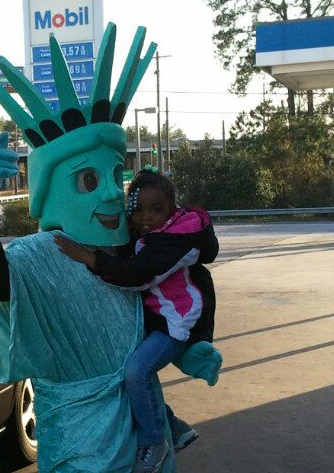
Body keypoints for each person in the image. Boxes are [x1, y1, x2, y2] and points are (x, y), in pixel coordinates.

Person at [0, 23, 222, 472]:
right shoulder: (43, 254)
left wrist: (187, 349)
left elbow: (162, 306)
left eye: (115, 175)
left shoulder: (131, 250)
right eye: (88, 179)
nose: (111, 194)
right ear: (51, 190)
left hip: (143, 431)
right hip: (78, 439)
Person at [55, 168, 219, 472]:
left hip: (175, 323)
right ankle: (172, 424)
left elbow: (140, 275)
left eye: (156, 209)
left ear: (172, 208)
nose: (146, 217)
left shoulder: (179, 239)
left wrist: (89, 258)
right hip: (156, 317)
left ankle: (154, 441)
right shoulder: (153, 233)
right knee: (124, 369)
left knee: (136, 372)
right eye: (139, 209)